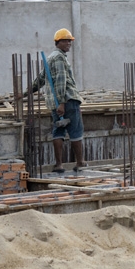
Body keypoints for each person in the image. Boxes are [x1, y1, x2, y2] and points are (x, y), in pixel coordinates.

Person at [29, 28, 85, 173]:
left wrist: (26, 92)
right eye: (66, 41)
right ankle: (80, 163)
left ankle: (59, 165)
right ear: (58, 42)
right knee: (76, 131)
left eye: (70, 41)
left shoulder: (50, 57)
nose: (69, 44)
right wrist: (62, 103)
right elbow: (61, 80)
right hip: (68, 100)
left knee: (58, 131)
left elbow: (41, 79)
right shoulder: (59, 58)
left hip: (55, 102)